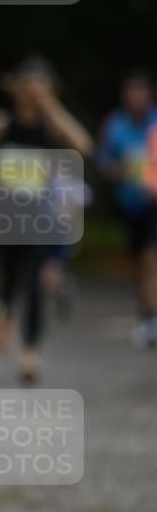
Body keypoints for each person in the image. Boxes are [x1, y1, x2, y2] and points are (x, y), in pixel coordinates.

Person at [0, 57, 93, 381]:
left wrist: (52, 106)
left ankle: (30, 354)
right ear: (15, 88)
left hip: (41, 218)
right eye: (28, 84)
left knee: (34, 286)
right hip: (3, 216)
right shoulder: (1, 122)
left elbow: (85, 147)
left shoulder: (53, 125)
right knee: (7, 282)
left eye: (41, 85)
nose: (34, 92)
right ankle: (1, 315)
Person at [97, 68, 157, 348]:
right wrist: (122, 170)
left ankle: (151, 320)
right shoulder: (115, 125)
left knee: (149, 260)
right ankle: (146, 316)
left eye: (140, 91)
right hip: (130, 203)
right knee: (139, 265)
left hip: (154, 203)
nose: (136, 97)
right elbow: (103, 163)